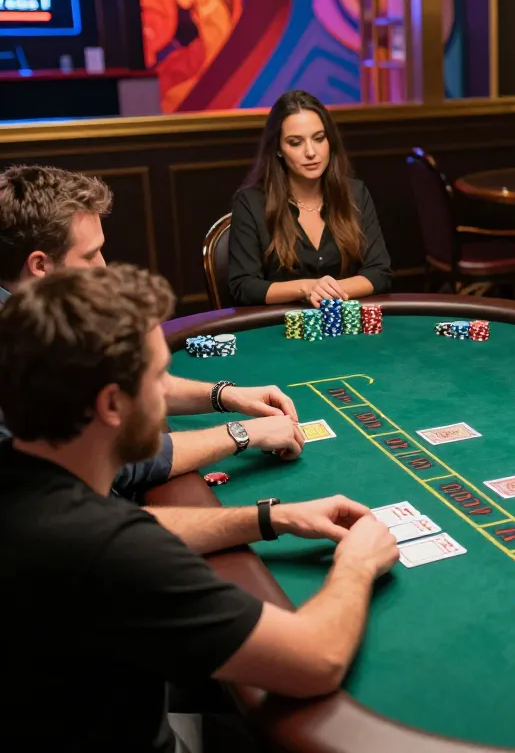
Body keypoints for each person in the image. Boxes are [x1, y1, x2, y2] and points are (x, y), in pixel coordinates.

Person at [0, 263, 400, 752]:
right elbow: (316, 659)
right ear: (111, 405)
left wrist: (270, 518)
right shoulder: (105, 549)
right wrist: (357, 564)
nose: (167, 396)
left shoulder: (22, 477)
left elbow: (129, 527)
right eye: (159, 378)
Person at [0, 164, 307, 503]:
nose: (103, 266)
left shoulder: (40, 312)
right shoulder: (21, 350)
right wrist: (242, 433)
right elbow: (118, 461)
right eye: (89, 255)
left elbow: (125, 383)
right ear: (40, 266)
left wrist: (226, 395)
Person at [229, 89, 393, 307]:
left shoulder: (355, 193)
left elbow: (380, 273)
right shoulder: (250, 203)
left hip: (344, 321)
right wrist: (306, 288)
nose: (310, 152)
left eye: (318, 138)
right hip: (280, 324)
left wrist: (325, 291)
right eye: (295, 142)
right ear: (278, 149)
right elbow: (244, 286)